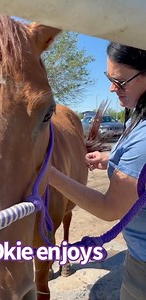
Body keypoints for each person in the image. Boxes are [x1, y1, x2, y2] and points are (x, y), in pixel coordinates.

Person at [49, 42, 146, 300]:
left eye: (121, 80)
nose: (112, 87)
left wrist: (50, 174)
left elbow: (109, 209)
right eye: (109, 77)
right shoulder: (139, 117)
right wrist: (112, 159)